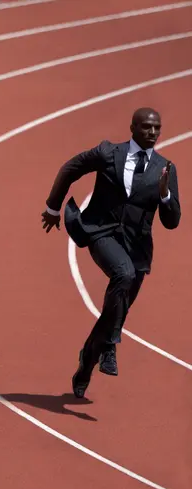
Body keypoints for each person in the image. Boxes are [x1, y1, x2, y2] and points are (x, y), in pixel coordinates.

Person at [41, 107, 181, 398]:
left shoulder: (165, 168)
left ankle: (87, 363)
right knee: (122, 273)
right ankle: (111, 344)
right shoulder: (108, 153)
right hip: (101, 232)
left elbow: (172, 222)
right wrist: (53, 207)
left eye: (157, 128)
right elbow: (70, 168)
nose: (153, 133)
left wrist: (165, 194)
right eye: (146, 127)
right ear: (132, 129)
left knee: (115, 311)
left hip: (138, 246)